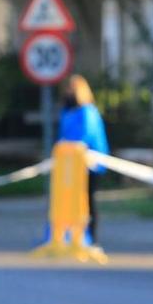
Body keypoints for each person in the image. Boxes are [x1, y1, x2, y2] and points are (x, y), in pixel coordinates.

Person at [57, 74, 110, 246]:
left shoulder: (88, 112)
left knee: (88, 200)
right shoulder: (67, 111)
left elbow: (85, 136)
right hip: (70, 164)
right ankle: (71, 235)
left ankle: (90, 237)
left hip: (89, 165)